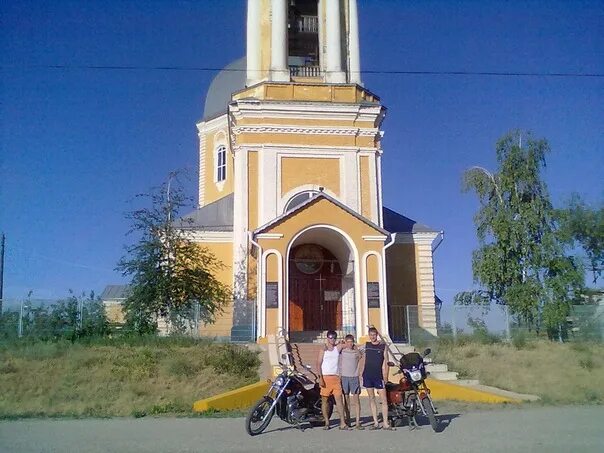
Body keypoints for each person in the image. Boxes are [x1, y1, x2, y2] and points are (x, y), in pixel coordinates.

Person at [362, 327, 394, 430]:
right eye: (371, 335)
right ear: (369, 335)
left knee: (384, 400)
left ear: (377, 335)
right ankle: (376, 422)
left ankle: (385, 423)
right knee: (372, 399)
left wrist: (385, 375)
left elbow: (386, 362)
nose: (372, 337)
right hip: (367, 375)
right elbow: (355, 350)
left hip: (379, 376)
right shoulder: (366, 345)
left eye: (374, 335)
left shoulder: (382, 346)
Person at [316, 330, 348, 430]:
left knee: (339, 400)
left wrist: (342, 342)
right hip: (325, 378)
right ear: (327, 338)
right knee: (324, 400)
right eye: (330, 338)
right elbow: (318, 364)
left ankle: (342, 422)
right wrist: (320, 378)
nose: (332, 340)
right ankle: (326, 422)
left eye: (334, 338)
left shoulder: (337, 348)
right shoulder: (323, 349)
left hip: (335, 377)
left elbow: (349, 344)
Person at [340, 334, 364, 430]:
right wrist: (341, 344)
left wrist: (356, 347)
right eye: (348, 342)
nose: (350, 343)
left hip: (354, 377)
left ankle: (358, 422)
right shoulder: (342, 351)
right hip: (344, 377)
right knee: (346, 400)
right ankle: (348, 420)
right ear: (345, 342)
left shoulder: (356, 352)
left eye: (351, 341)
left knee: (356, 400)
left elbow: (360, 355)